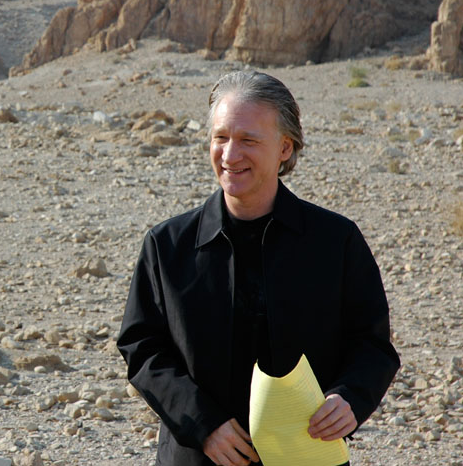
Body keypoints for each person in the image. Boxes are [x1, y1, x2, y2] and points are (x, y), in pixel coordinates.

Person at [117, 70, 399, 466]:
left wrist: (349, 397)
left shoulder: (336, 241)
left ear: (285, 147)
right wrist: (203, 424)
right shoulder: (167, 245)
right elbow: (142, 348)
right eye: (221, 137)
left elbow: (372, 344)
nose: (230, 155)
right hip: (198, 456)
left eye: (248, 140)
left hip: (306, 455)